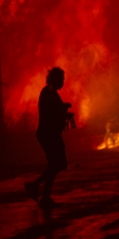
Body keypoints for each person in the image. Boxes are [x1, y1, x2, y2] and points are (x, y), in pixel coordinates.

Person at [25, 66, 74, 209]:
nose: (63, 82)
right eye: (62, 79)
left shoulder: (50, 91)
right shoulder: (49, 92)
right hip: (48, 134)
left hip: (49, 133)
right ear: (56, 79)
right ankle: (36, 188)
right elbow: (52, 112)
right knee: (57, 164)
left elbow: (54, 111)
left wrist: (64, 112)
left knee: (57, 164)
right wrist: (63, 112)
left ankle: (42, 194)